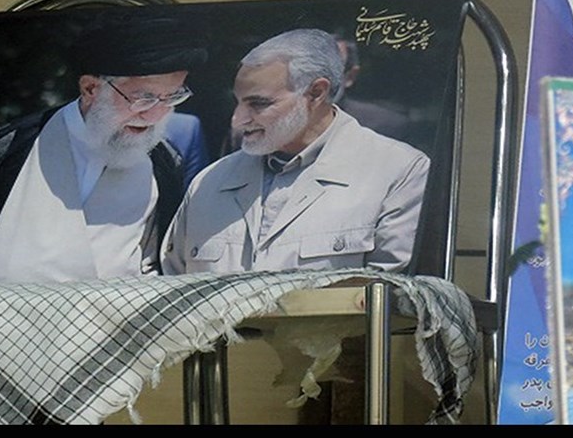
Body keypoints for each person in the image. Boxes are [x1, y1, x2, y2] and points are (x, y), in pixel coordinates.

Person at [0, 16, 207, 283]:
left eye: (171, 97)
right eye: (143, 98)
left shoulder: (164, 164)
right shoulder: (1, 155)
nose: (154, 115)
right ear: (90, 89)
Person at [161, 28, 430, 275]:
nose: (237, 120)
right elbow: (175, 286)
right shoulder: (210, 182)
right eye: (238, 103)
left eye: (259, 104)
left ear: (316, 93)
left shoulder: (397, 173)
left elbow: (392, 296)